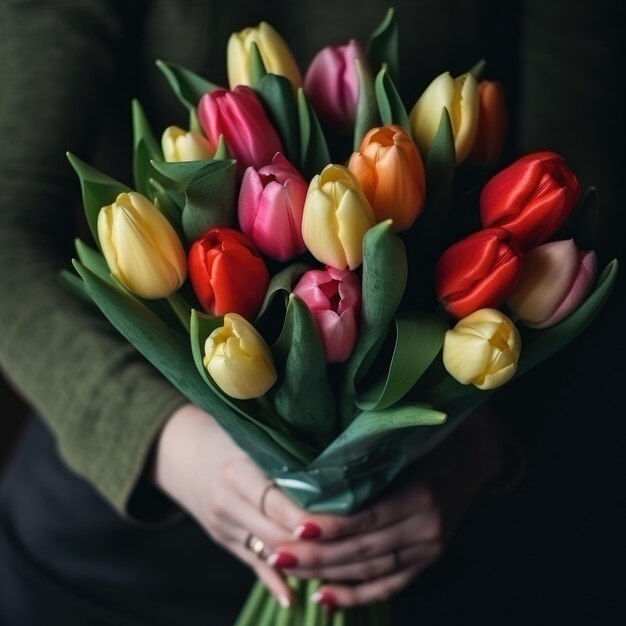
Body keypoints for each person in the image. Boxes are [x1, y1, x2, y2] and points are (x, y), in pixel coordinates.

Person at [0, 1, 623, 625]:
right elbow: (8, 216)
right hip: (132, 518)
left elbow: (586, 189)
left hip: (453, 511)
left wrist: (479, 445)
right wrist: (168, 443)